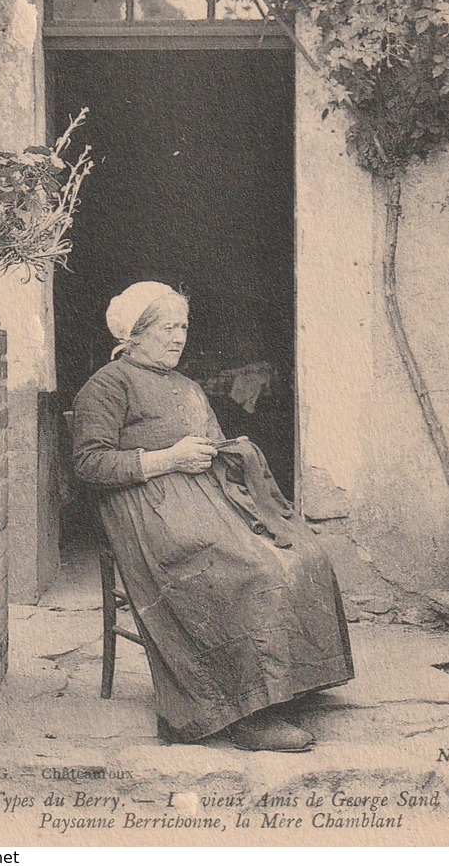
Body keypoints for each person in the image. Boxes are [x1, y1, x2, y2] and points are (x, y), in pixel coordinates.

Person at [72, 281, 354, 752]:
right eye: (167, 327)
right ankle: (244, 714)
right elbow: (88, 463)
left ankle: (285, 684)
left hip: (202, 498)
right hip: (145, 509)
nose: (178, 337)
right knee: (244, 569)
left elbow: (206, 445)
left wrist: (224, 452)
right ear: (136, 334)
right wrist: (169, 459)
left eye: (183, 326)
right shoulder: (107, 384)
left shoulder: (185, 386)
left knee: (300, 554)